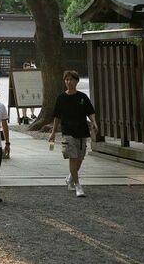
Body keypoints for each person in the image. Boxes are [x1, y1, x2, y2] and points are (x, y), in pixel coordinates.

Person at [48, 70, 98, 198]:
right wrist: (53, 133)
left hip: (81, 131)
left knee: (80, 160)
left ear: (76, 81)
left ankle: (70, 177)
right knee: (73, 158)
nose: (69, 82)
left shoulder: (82, 97)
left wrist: (94, 122)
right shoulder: (61, 98)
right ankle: (77, 185)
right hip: (68, 132)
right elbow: (57, 117)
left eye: (71, 79)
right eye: (66, 80)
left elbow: (90, 111)